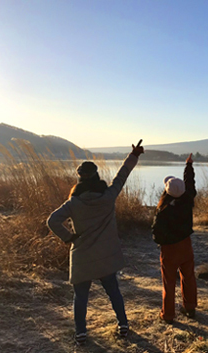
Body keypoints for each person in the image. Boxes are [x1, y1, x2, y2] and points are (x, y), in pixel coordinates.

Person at [47, 140, 144, 346]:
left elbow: (52, 220)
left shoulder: (73, 202)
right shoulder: (108, 196)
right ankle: (123, 325)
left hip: (82, 255)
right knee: (113, 291)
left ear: (80, 178)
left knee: (80, 297)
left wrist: (69, 237)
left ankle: (81, 333)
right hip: (105, 255)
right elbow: (122, 175)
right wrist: (133, 155)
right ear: (97, 176)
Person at [152, 153, 197, 324]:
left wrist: (161, 241)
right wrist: (189, 166)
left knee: (169, 282)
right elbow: (191, 184)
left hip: (169, 249)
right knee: (188, 277)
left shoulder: (163, 210)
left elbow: (156, 233)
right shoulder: (187, 201)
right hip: (186, 245)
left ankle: (168, 314)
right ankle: (190, 307)